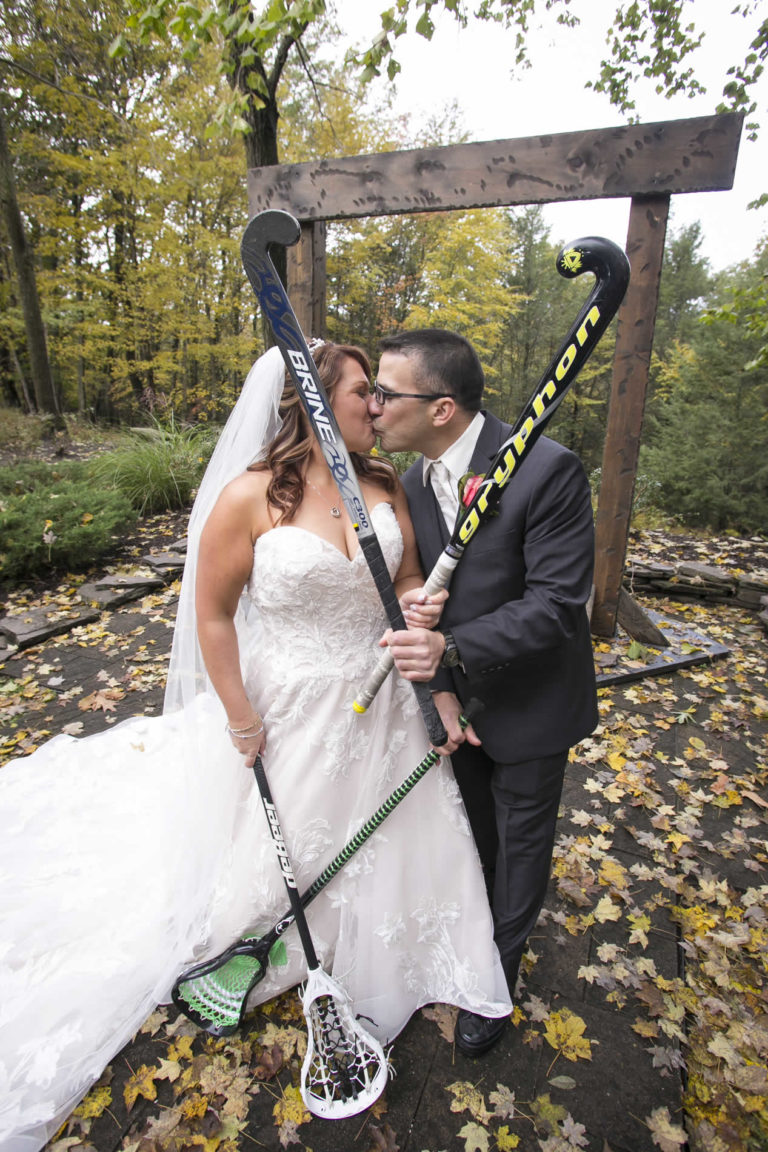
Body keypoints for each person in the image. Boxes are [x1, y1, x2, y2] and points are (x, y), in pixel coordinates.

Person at [0, 341, 511, 1152]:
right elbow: (210, 615)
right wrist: (239, 716)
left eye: (380, 395)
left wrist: (420, 608)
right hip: (287, 702)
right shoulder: (247, 500)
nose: (377, 407)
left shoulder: (384, 486)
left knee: (396, 837)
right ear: (315, 406)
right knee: (282, 848)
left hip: (378, 699)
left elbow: (408, 575)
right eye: (361, 394)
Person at [370, 328, 598, 1057]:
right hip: (455, 702)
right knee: (477, 834)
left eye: (386, 392)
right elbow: (412, 601)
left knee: (523, 842)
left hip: (532, 702)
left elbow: (560, 603)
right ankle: (472, 936)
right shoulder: (407, 485)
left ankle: (496, 981)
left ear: (440, 408)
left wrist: (457, 647)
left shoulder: (546, 470)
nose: (374, 406)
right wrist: (438, 682)